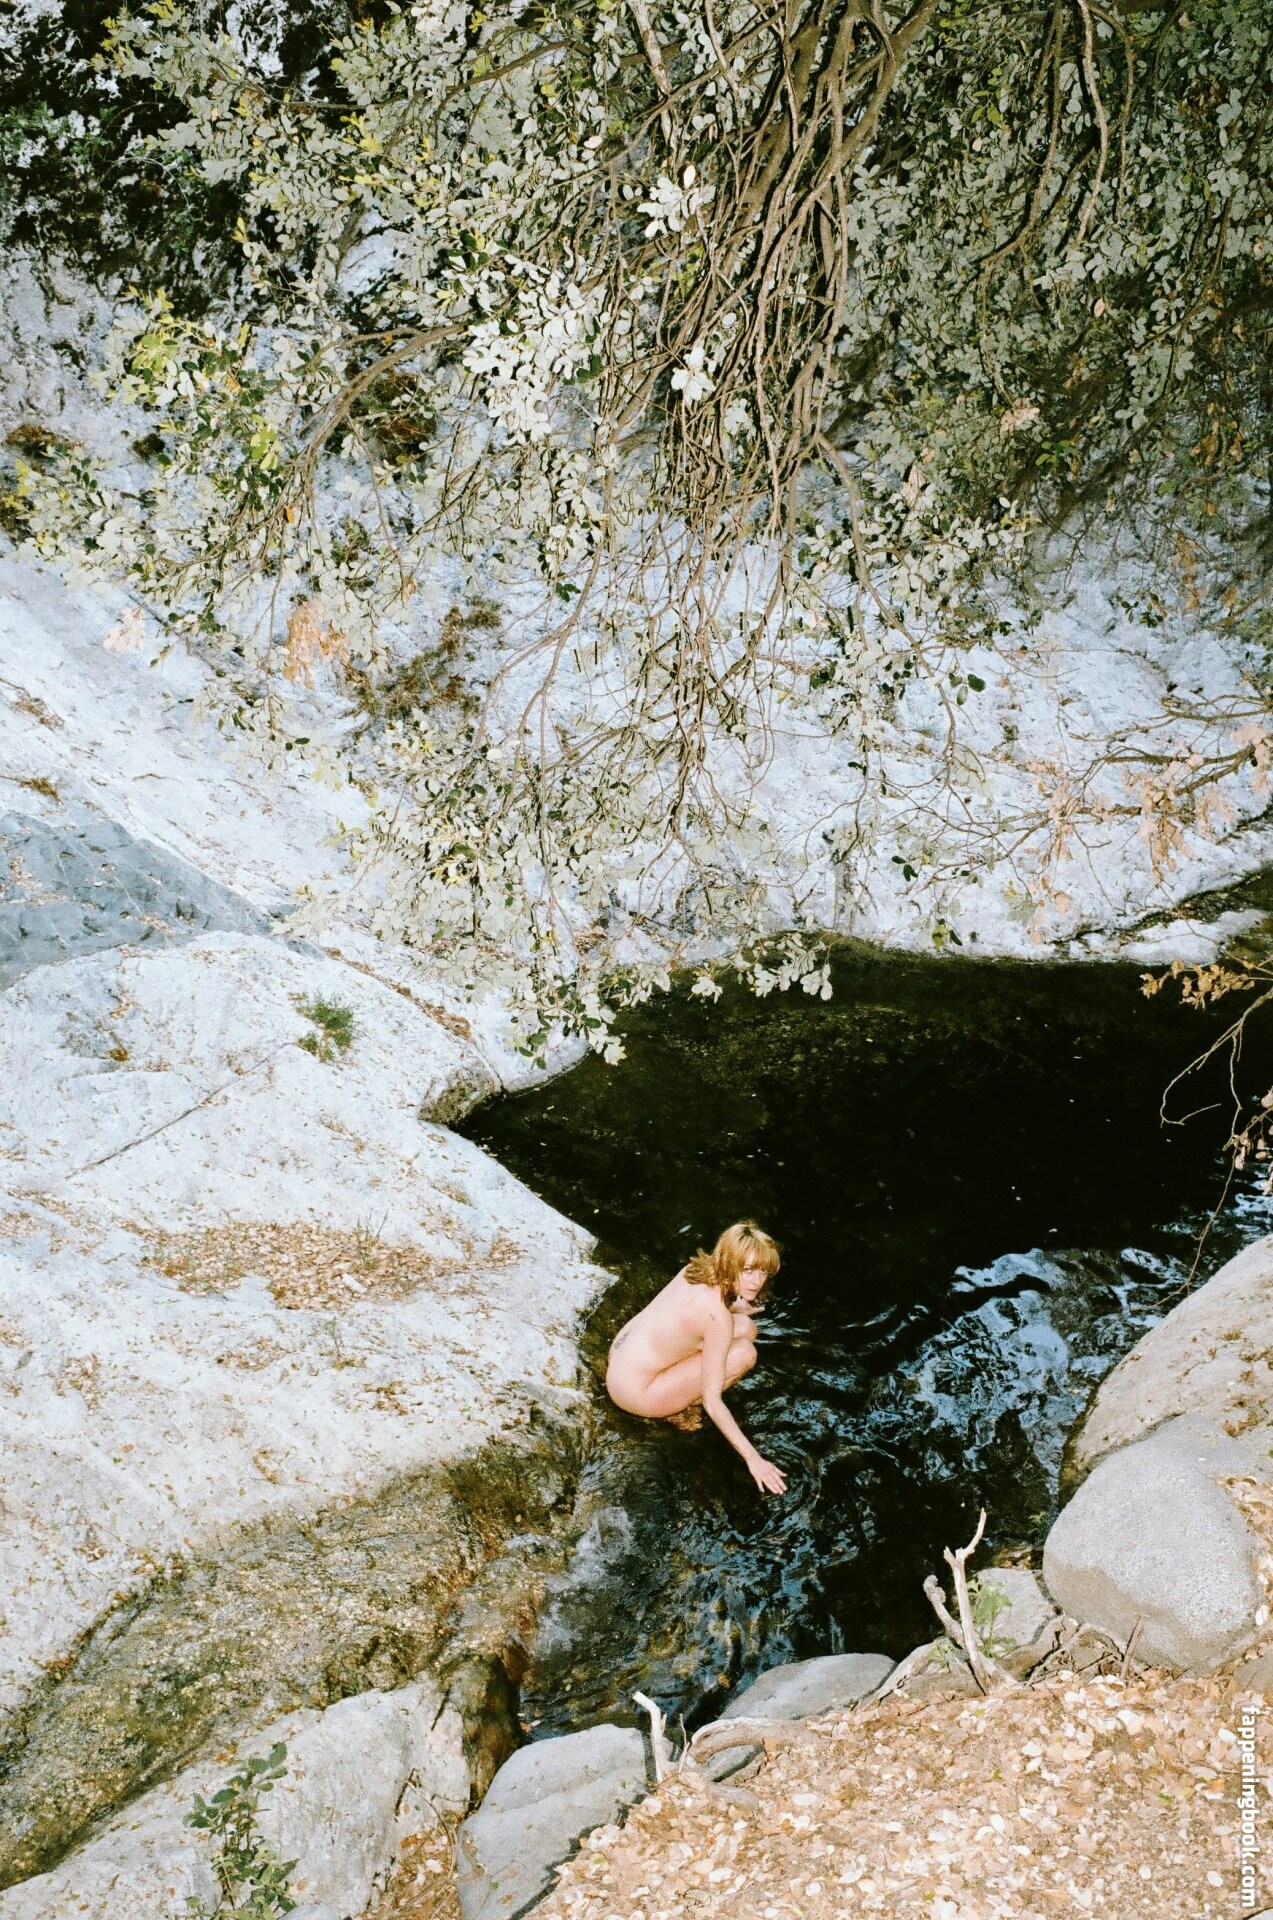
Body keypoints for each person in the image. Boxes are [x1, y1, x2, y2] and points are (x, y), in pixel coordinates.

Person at [605, 1221, 788, 1496]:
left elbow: (692, 1315)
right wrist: (754, 1459)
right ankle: (681, 1407)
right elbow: (714, 1402)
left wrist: (734, 1305)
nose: (757, 1281)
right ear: (730, 1261)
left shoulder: (693, 1271)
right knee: (745, 1353)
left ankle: (676, 1392)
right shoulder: (716, 1317)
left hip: (622, 1355)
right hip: (633, 1393)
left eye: (763, 1271)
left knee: (747, 1328)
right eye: (748, 1270)